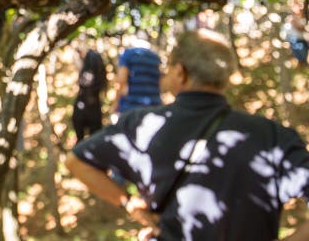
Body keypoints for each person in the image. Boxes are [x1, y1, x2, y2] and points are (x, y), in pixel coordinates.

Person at [65, 29, 309, 241]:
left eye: (168, 69)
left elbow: (76, 161)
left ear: (180, 72)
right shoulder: (273, 135)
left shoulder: (142, 125)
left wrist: (129, 203)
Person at [112, 33, 162, 115]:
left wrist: (115, 104)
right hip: (154, 107)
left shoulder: (128, 54)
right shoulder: (155, 57)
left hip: (131, 107)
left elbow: (122, 80)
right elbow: (159, 82)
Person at [72, 49, 107, 142]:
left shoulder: (85, 73)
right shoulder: (100, 76)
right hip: (95, 109)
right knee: (94, 141)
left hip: (82, 108)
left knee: (80, 140)